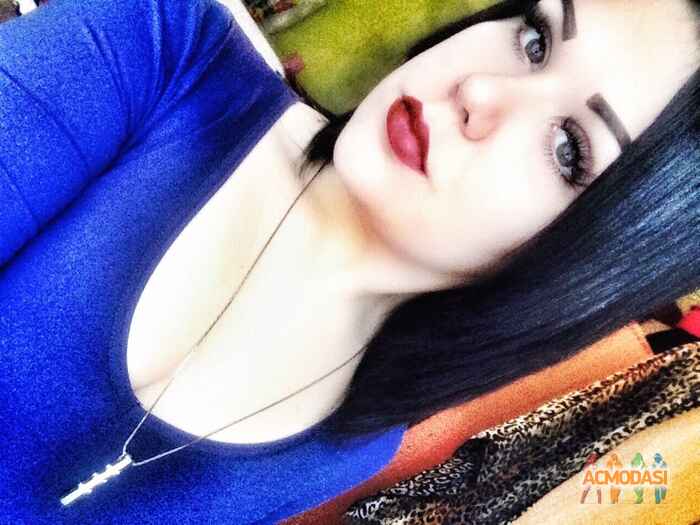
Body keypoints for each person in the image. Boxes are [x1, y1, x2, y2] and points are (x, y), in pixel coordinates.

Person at [0, 0, 697, 523]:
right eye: (535, 38)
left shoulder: (356, 442)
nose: (481, 90)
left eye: (569, 148)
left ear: (589, 270)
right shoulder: (162, 46)